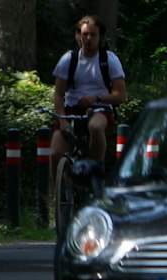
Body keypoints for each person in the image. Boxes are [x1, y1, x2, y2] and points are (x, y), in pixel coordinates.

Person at [53, 16, 128, 176]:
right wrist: (62, 120)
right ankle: (60, 193)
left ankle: (96, 171)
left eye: (93, 35)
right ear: (78, 35)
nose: (88, 38)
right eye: (85, 34)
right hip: (71, 110)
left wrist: (97, 98)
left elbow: (121, 95)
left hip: (99, 109)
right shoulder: (68, 59)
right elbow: (59, 94)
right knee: (55, 153)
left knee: (95, 127)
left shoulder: (109, 60)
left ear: (100, 37)